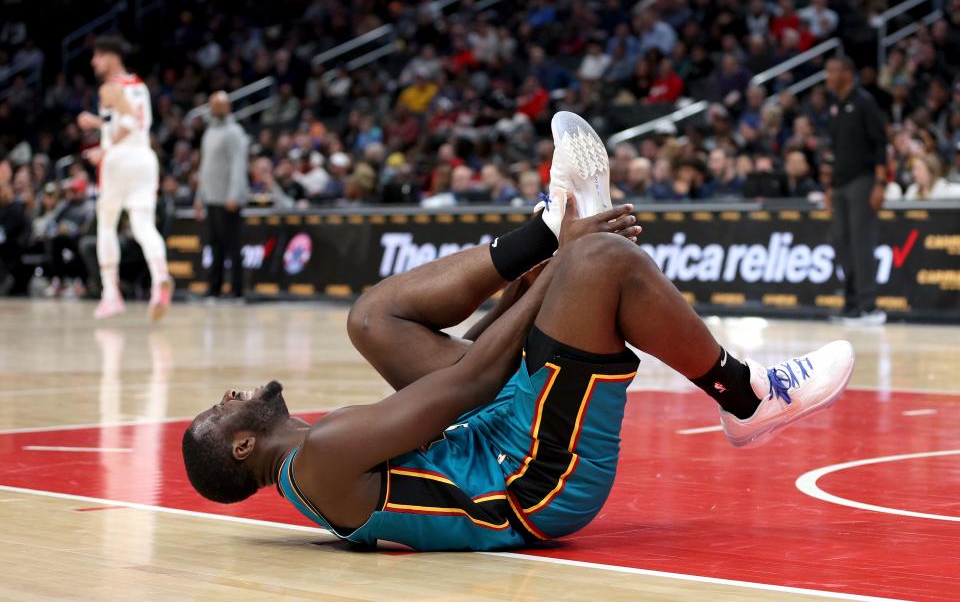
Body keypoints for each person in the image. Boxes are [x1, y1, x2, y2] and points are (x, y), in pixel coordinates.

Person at [182, 113, 854, 551]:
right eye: (222, 409)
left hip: (493, 429)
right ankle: (747, 396)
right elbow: (471, 382)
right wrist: (562, 267)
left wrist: (538, 263)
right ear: (243, 446)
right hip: (532, 485)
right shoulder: (322, 456)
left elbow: (471, 374)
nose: (232, 393)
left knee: (370, 319)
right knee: (602, 261)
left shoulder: (317, 455)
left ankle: (548, 226)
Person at [77, 36, 173, 321]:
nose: (94, 62)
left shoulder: (110, 87)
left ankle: (110, 294)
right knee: (143, 224)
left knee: (106, 225)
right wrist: (97, 123)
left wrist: (104, 149)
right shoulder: (139, 86)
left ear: (112, 57)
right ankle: (160, 277)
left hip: (120, 161)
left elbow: (129, 122)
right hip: (145, 159)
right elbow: (131, 120)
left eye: (98, 56)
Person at [824, 56, 888, 325]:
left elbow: (881, 143)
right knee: (841, 243)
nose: (827, 76)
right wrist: (828, 186)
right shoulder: (836, 107)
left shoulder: (864, 102)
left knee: (862, 244)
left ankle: (869, 307)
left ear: (848, 74)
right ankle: (851, 305)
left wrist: (880, 183)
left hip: (863, 182)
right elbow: (834, 151)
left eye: (833, 71)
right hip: (839, 184)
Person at [194, 92, 250, 299]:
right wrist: (199, 198)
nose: (214, 109)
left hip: (228, 199)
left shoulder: (234, 132)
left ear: (228, 107)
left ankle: (237, 290)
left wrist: (234, 194)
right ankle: (213, 288)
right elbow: (204, 168)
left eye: (219, 105)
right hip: (211, 197)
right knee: (214, 245)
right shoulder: (209, 132)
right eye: (212, 105)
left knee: (233, 246)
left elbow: (238, 165)